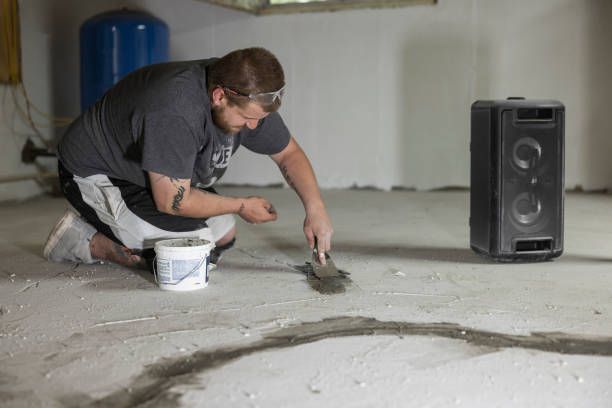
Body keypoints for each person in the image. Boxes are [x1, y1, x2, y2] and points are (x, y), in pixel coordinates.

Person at [43, 47, 333, 271]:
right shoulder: (175, 109)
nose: (254, 128)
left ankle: (125, 229)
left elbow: (289, 154)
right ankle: (86, 242)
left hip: (148, 174)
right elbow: (173, 201)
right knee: (191, 253)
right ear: (219, 96)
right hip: (97, 171)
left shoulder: (248, 95)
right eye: (247, 118)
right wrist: (241, 204)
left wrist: (316, 208)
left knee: (223, 233)